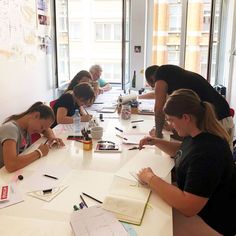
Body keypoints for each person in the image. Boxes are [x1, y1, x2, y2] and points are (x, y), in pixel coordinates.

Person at [138, 89, 236, 236]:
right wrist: (156, 142)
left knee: (150, 225)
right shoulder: (198, 134)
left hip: (213, 223)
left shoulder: (208, 153)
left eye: (171, 120)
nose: (170, 125)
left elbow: (188, 206)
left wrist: (151, 178)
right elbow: (184, 151)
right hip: (202, 210)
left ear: (185, 118)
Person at [144, 65, 234, 147]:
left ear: (152, 79)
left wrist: (158, 135)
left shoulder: (161, 73)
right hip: (221, 116)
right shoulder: (172, 74)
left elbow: (158, 109)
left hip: (218, 120)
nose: (155, 89)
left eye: (153, 86)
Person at [0, 102, 64, 172]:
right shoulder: (10, 129)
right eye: (41, 127)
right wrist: (39, 152)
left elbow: (47, 129)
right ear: (36, 115)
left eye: (43, 129)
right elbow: (11, 165)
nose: (40, 131)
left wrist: (52, 138)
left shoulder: (27, 126)